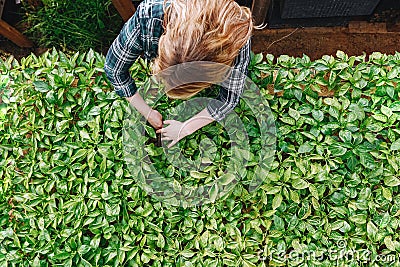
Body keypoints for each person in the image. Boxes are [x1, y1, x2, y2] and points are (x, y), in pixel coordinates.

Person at [104, 0, 253, 147]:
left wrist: (186, 128)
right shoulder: (149, 15)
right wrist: (147, 112)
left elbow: (229, 98)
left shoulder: (234, 36)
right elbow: (114, 70)